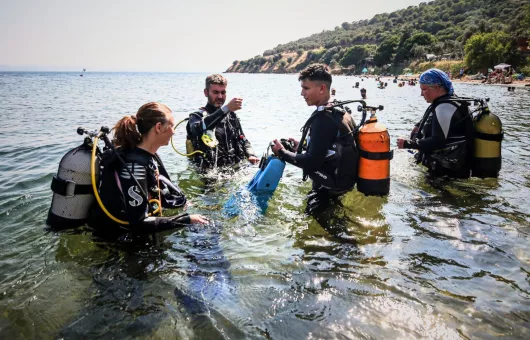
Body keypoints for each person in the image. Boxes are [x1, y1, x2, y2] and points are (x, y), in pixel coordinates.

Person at [89, 102, 208, 233]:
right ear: (158, 127)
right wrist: (186, 220)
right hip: (121, 242)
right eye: (171, 126)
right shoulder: (135, 166)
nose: (173, 132)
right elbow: (138, 223)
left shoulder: (148, 155)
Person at [270, 64, 359, 215]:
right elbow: (332, 146)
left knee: (320, 234)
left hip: (327, 190)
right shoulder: (340, 112)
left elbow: (311, 163)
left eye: (306, 88)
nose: (302, 93)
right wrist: (302, 147)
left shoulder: (323, 119)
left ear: (322, 89)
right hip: (343, 185)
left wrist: (282, 152)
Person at [397, 68, 474, 178]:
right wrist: (418, 126)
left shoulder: (445, 107)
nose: (421, 94)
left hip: (446, 173)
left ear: (437, 88)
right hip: (446, 168)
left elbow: (438, 141)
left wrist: (408, 144)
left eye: (424, 89)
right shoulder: (447, 102)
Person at [186, 74, 259, 168]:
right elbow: (200, 128)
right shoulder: (196, 117)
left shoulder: (231, 116)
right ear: (206, 92)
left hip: (234, 169)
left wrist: (251, 154)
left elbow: (242, 139)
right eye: (215, 92)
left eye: (223, 92)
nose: (220, 96)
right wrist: (226, 108)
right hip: (210, 175)